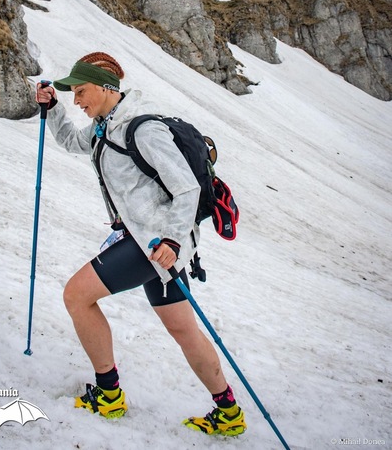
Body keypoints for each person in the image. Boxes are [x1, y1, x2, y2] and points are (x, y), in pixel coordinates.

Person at [35, 51, 246, 436]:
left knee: (76, 296)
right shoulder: (105, 126)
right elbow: (70, 141)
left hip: (155, 243)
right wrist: (52, 110)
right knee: (183, 330)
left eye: (80, 92)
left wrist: (173, 241)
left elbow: (186, 187)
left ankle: (109, 395)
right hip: (152, 242)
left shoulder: (142, 129)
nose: (77, 100)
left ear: (105, 88)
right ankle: (228, 412)